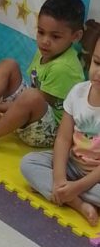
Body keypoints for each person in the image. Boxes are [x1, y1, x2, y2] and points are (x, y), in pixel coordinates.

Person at [0, 0, 85, 155]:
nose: (45, 41)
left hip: (50, 132)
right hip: (32, 112)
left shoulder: (64, 68)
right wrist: (1, 107)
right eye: (41, 32)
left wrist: (2, 108)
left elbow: (40, 100)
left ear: (76, 36)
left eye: (55, 36)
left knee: (32, 96)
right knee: (8, 64)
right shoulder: (47, 51)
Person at [21, 30, 100, 228]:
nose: (98, 73)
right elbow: (63, 139)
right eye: (97, 63)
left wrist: (78, 186)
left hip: (96, 177)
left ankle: (66, 193)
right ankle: (76, 203)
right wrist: (58, 178)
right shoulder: (78, 92)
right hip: (73, 165)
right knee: (28, 163)